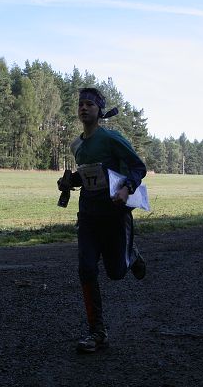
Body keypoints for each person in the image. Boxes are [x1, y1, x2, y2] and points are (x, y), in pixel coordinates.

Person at [57, 87, 147, 354]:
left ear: (99, 111)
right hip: (88, 217)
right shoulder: (77, 145)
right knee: (86, 269)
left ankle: (132, 255)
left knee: (116, 273)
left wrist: (127, 188)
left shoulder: (111, 139)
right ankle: (97, 332)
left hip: (115, 217)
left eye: (90, 104)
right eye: (81, 104)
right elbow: (87, 176)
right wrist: (69, 181)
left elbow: (138, 167)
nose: (84, 108)